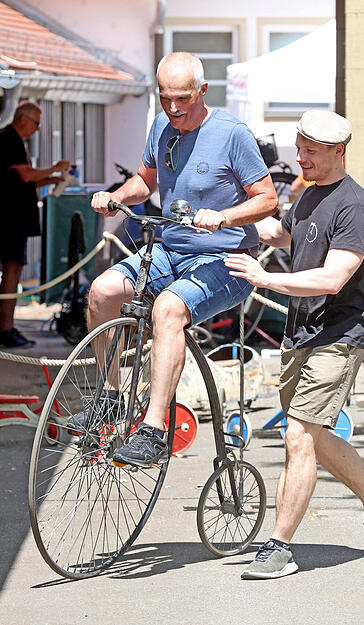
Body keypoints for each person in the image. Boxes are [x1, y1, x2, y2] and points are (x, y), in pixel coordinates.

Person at [223, 110, 364, 580]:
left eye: (311, 152)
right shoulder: (308, 195)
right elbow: (285, 233)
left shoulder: (355, 207)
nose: (300, 158)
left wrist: (266, 277)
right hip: (299, 334)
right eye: (298, 148)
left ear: (339, 151)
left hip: (336, 338)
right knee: (317, 440)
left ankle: (279, 546)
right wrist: (224, 220)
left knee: (298, 437)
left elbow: (333, 276)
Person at [78, 52, 277, 468]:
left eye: (182, 98)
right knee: (103, 290)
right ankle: (112, 398)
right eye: (165, 97)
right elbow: (145, 181)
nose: (173, 107)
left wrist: (224, 217)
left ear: (203, 91)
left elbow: (268, 199)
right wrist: (117, 196)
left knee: (168, 309)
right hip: (170, 251)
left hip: (227, 259)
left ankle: (152, 430)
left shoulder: (232, 134)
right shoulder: (162, 128)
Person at [0, 101, 70, 349]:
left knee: (15, 268)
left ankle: (8, 327)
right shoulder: (9, 139)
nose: (37, 128)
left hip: (14, 217)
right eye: (36, 123)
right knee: (11, 268)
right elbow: (25, 175)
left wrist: (53, 178)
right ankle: (5, 329)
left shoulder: (13, 141)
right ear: (23, 119)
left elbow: (22, 179)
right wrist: (53, 169)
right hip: (9, 217)